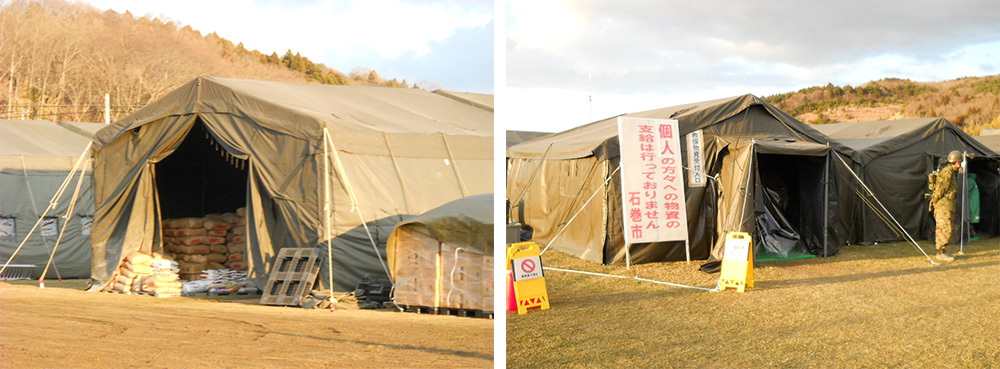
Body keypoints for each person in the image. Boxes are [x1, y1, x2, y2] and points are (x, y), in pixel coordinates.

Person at [930, 150, 961, 261]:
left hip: (948, 206)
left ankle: (943, 250)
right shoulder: (947, 172)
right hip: (943, 206)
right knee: (943, 228)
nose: (959, 164)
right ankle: (940, 253)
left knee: (947, 228)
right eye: (958, 162)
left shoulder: (952, 172)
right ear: (955, 162)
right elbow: (941, 188)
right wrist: (935, 199)